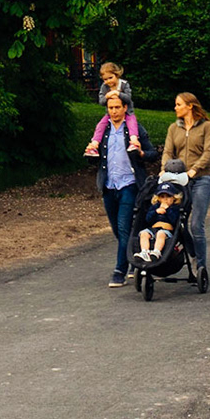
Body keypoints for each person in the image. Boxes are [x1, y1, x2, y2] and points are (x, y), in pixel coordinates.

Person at [84, 90, 143, 287]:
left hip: (129, 183)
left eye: (118, 107)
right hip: (109, 184)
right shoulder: (103, 130)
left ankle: (120, 270)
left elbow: (151, 152)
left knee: (124, 228)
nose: (114, 111)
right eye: (111, 108)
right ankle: (134, 257)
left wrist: (141, 153)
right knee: (118, 230)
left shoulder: (134, 128)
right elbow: (98, 156)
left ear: (125, 108)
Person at [162, 91, 210, 281]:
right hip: (179, 180)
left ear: (190, 106)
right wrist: (164, 171)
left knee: (196, 225)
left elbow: (208, 152)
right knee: (178, 223)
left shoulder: (206, 127)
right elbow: (168, 152)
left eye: (178, 104)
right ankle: (191, 257)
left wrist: (193, 171)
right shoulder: (173, 128)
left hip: (201, 179)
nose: (175, 108)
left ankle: (201, 266)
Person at [135, 173, 187, 263]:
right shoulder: (155, 207)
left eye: (168, 196)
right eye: (162, 197)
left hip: (167, 230)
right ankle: (144, 252)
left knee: (161, 234)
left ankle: (157, 252)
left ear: (174, 198)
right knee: (143, 234)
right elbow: (148, 219)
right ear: (158, 198)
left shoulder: (175, 208)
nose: (165, 199)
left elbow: (174, 220)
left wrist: (168, 210)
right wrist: (156, 212)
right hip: (153, 228)